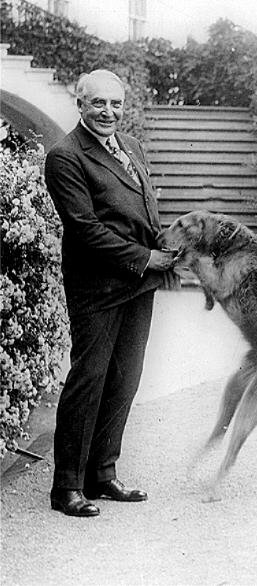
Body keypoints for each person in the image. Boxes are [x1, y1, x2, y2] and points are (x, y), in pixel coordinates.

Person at [44, 69, 178, 517]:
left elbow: (144, 208)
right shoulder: (65, 156)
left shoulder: (132, 147)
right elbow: (84, 230)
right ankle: (66, 488)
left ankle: (102, 474)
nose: (108, 112)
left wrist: (163, 246)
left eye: (116, 104)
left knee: (124, 379)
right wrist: (144, 258)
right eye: (98, 103)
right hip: (97, 287)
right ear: (80, 104)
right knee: (90, 379)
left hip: (139, 284)